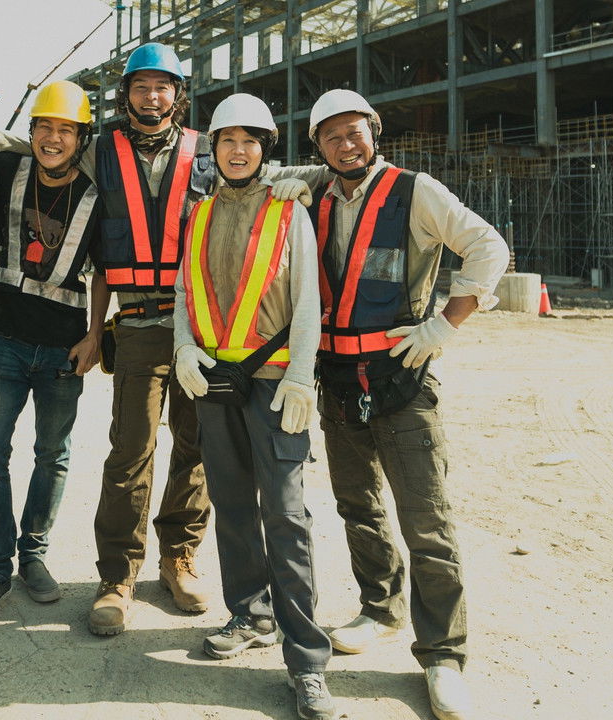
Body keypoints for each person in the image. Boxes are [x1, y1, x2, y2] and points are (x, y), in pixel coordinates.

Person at [0, 42, 216, 633]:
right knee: (93, 453)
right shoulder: (93, 154)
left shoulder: (201, 155)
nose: (152, 97)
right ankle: (69, 572)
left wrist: (95, 332)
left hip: (189, 327)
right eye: (141, 87)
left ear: (178, 93)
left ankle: (171, 558)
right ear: (126, 95)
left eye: (162, 87)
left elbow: (255, 176)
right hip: (71, 331)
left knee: (183, 450)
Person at [306, 89, 509, 720]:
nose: (347, 144)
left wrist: (446, 324)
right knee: (357, 505)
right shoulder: (312, 192)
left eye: (356, 132)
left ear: (374, 132)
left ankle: (443, 656)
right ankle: (379, 609)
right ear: (318, 146)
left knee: (428, 520)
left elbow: (488, 248)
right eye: (332, 136)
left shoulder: (414, 192)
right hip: (337, 377)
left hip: (401, 376)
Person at [173, 93, 337, 720]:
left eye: (250, 141)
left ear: (265, 148)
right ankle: (251, 614)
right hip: (215, 379)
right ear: (212, 150)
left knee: (287, 514)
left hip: (272, 380)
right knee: (234, 503)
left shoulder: (287, 209)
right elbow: (187, 289)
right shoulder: (202, 214)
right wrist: (184, 347)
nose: (237, 151)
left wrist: (301, 375)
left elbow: (305, 301)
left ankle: (307, 663)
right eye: (226, 141)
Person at [0, 80, 110, 625]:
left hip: (65, 347)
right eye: (44, 127)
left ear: (80, 137)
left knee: (54, 454)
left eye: (64, 130)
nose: (52, 138)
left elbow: (106, 275)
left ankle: (33, 556)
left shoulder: (97, 194)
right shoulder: (7, 169)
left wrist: (95, 335)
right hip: (6, 338)